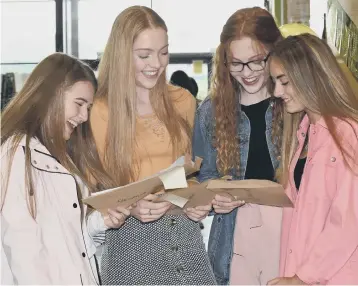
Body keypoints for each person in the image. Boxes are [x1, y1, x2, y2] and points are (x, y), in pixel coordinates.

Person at [89, 6, 216, 285]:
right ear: (121, 55)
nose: (156, 64)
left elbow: (189, 174)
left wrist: (196, 201)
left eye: (163, 52)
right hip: (130, 246)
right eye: (144, 55)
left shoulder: (182, 101)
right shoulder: (98, 110)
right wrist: (130, 206)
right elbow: (90, 192)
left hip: (186, 238)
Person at [1, 53, 130, 285]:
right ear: (50, 95)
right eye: (79, 104)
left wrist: (101, 221)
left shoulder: (60, 155)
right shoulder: (17, 154)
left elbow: (70, 243)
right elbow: (23, 250)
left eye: (88, 107)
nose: (84, 116)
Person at [192, 7, 284, 285]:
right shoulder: (211, 111)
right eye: (236, 63)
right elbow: (203, 176)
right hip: (233, 243)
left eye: (256, 61)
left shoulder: (292, 103)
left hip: (290, 237)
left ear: (276, 53)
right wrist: (215, 196)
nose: (247, 73)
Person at [267, 34, 358, 285]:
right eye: (275, 82)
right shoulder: (304, 135)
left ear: (310, 76)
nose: (277, 91)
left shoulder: (349, 134)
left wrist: (302, 278)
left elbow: (348, 222)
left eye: (284, 82)